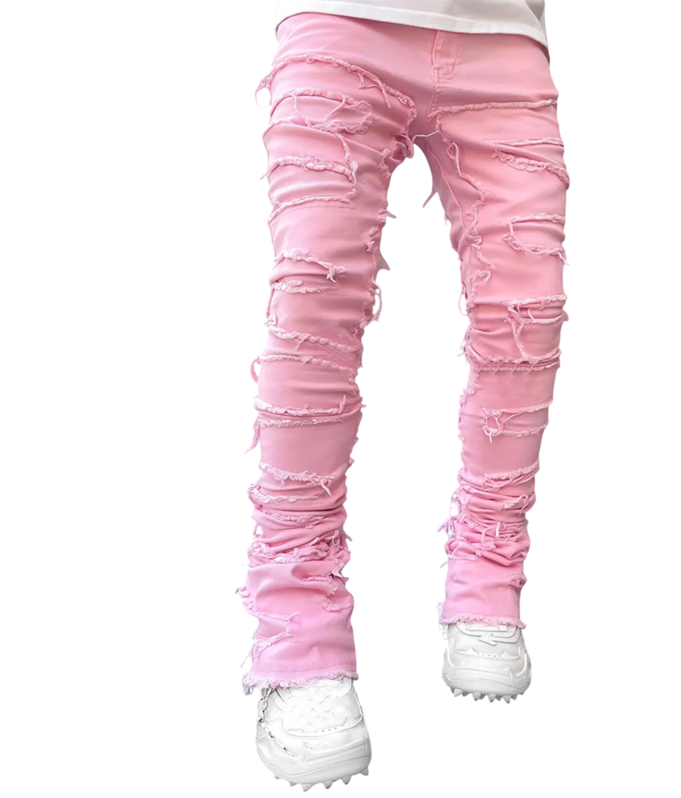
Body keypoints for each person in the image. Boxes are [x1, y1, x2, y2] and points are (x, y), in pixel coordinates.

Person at [239, 0, 569, 787]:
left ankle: (487, 575)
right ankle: (297, 630)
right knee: (315, 301)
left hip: (503, 34)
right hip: (343, 20)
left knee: (527, 308)